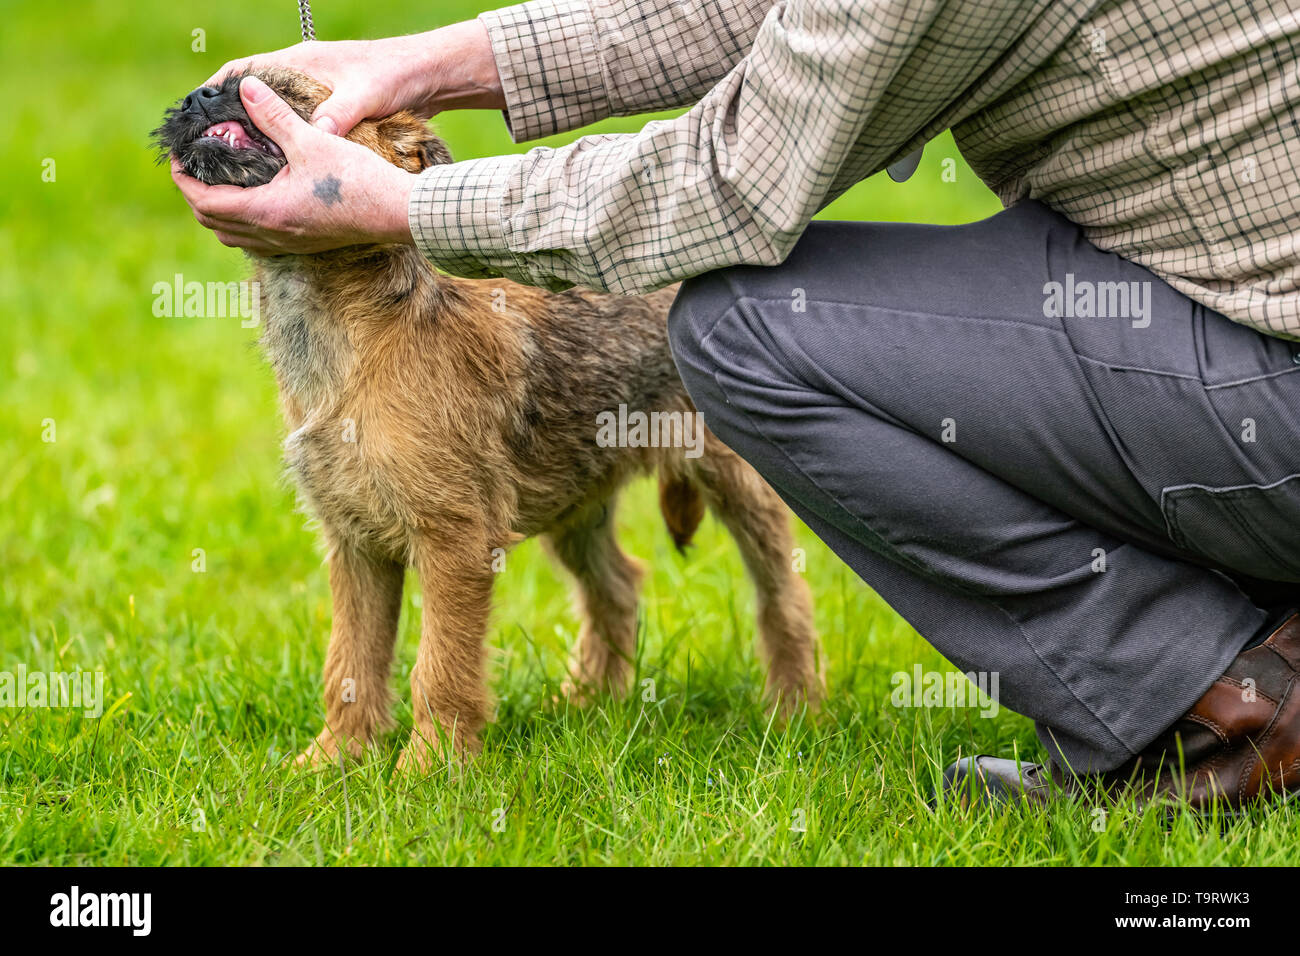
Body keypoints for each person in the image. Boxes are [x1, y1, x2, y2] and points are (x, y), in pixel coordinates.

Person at [172, 0, 1300, 810]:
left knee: (737, 327)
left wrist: (410, 206)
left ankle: (1214, 699)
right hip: (1217, 318)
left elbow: (734, 184)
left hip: (1263, 364)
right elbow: (740, 14)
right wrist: (423, 62)